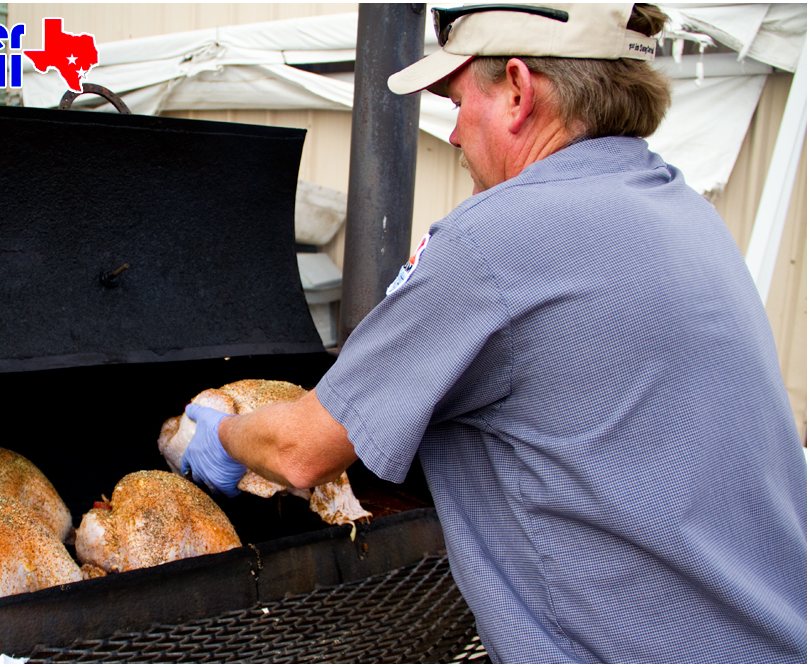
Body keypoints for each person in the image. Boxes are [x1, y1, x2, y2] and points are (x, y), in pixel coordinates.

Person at [182, 3, 807, 663]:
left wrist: (216, 436)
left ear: (516, 88)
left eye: (455, 101)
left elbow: (300, 450)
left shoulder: (494, 238)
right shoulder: (686, 212)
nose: (452, 135)